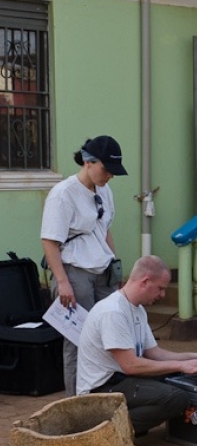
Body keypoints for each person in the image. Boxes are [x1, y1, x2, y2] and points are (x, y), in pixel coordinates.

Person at [76, 255, 197, 437]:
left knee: (179, 377)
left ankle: (126, 423)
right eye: (160, 288)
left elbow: (155, 353)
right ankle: (108, 432)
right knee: (176, 397)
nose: (162, 295)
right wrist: (181, 365)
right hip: (101, 389)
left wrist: (195, 357)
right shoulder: (112, 312)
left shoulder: (137, 309)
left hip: (121, 380)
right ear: (145, 281)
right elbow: (130, 365)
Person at [41, 135, 128, 396]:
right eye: (106, 169)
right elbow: (49, 240)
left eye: (114, 172)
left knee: (111, 334)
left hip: (102, 271)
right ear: (89, 162)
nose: (109, 176)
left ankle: (105, 396)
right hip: (74, 272)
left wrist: (115, 268)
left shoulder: (105, 190)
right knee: (78, 341)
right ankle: (76, 403)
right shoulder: (63, 194)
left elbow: (105, 230)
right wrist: (63, 282)